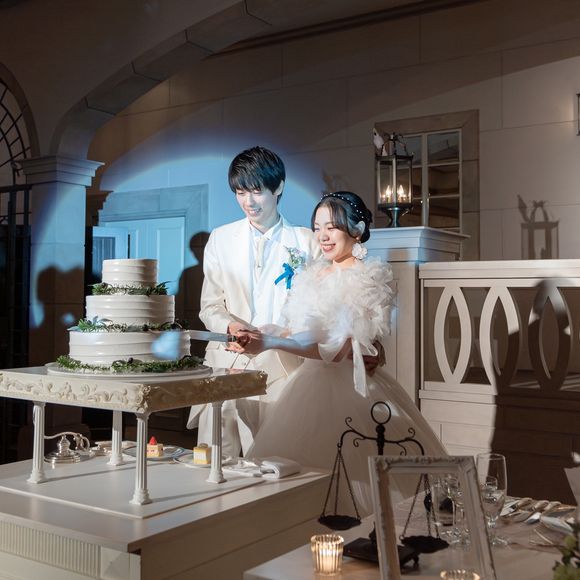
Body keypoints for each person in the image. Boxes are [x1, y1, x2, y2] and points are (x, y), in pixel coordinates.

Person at [239, 191, 447, 515]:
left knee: (357, 489)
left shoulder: (368, 278)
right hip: (306, 385)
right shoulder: (312, 274)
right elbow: (297, 331)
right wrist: (263, 332)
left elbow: (340, 349)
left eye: (332, 227)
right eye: (317, 227)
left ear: (357, 230)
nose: (322, 236)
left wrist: (270, 343)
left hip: (353, 392)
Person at [187, 146, 320, 457]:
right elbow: (210, 305)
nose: (248, 201)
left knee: (273, 461)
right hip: (225, 364)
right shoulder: (220, 238)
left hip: (281, 369)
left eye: (257, 191)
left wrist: (275, 336)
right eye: (240, 192)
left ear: (279, 187)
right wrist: (230, 326)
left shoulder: (306, 241)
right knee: (214, 461)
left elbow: (315, 311)